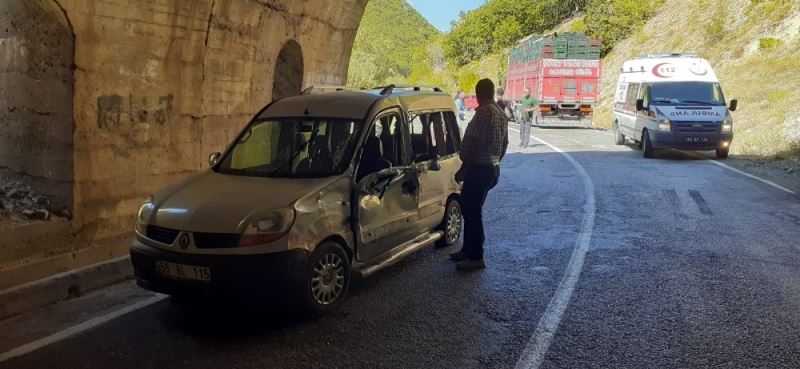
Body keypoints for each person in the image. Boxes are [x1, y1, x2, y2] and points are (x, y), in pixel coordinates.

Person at [450, 79, 509, 271]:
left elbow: (474, 143)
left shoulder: (484, 113)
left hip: (478, 169)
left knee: (472, 211)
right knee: (471, 209)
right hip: (491, 168)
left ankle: (476, 256)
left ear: (479, 93)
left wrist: (464, 169)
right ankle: (468, 249)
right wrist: (496, 160)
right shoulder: (500, 113)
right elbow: (505, 142)